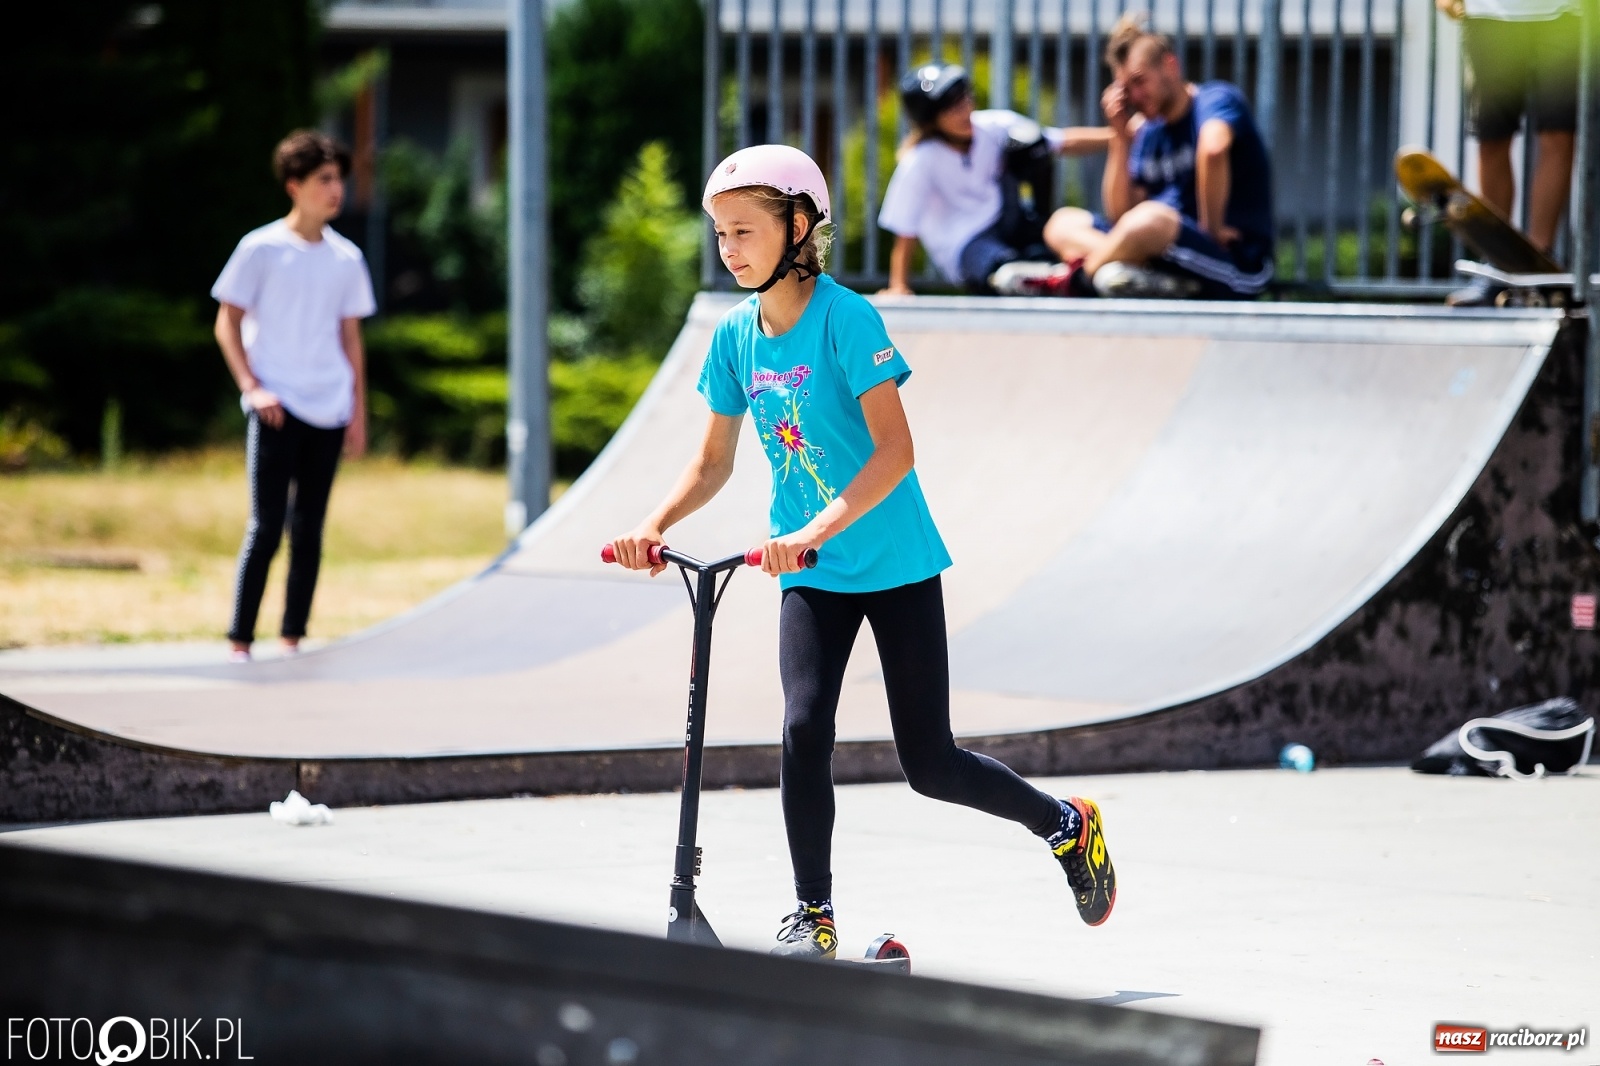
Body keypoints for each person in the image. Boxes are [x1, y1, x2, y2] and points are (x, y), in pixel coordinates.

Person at [610, 144, 1116, 958]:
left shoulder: (848, 320)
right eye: (720, 234)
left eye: (745, 231)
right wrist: (654, 524)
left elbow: (894, 453)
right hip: (813, 572)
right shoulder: (736, 338)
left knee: (931, 763)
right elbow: (712, 462)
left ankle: (1064, 823)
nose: (730, 249)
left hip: (893, 562)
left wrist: (810, 530)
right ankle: (814, 914)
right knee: (803, 727)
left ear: (799, 226)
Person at [211, 130, 375, 663]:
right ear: (294, 186)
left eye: (340, 180)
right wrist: (251, 388)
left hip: (328, 404)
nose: (336, 190)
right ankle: (240, 640)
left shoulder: (346, 258)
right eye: (324, 180)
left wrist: (357, 412)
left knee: (310, 528)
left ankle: (293, 638)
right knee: (266, 525)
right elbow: (227, 322)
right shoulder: (261, 249)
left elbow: (351, 338)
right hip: (276, 406)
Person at [1040, 14, 1276, 299]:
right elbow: (1121, 215)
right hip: (1157, 251)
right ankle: (1126, 269)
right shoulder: (1146, 131)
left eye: (1140, 82)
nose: (1135, 96)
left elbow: (1213, 149)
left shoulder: (1214, 99)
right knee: (1062, 222)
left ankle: (1076, 280)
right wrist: (1120, 137)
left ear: (1170, 65)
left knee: (1151, 220)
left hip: (1231, 258)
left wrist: (1212, 229)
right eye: (1126, 89)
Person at [876, 63, 1112, 296]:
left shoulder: (993, 127)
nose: (965, 109)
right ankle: (1027, 276)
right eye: (951, 107)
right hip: (966, 244)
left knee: (1031, 144)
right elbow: (905, 229)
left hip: (1008, 221)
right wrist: (899, 285)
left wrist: (1120, 135)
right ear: (931, 120)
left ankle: (1078, 264)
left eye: (965, 98)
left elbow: (1062, 141)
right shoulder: (920, 160)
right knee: (999, 267)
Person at [1436, 0, 1580, 306]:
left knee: (1559, 136)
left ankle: (1538, 267)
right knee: (1491, 139)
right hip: (1489, 13)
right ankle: (1498, 265)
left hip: (1566, 14)